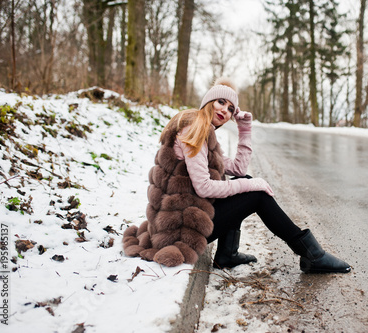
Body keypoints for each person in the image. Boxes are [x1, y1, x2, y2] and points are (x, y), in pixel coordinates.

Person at [122, 78, 351, 274]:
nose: (225, 110)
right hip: (182, 230)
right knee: (256, 194)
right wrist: (251, 186)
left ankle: (227, 255)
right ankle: (312, 254)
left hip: (186, 218)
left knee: (248, 182)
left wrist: (245, 129)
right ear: (209, 102)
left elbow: (238, 169)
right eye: (221, 102)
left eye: (231, 108)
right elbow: (203, 187)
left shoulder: (202, 129)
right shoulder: (195, 130)